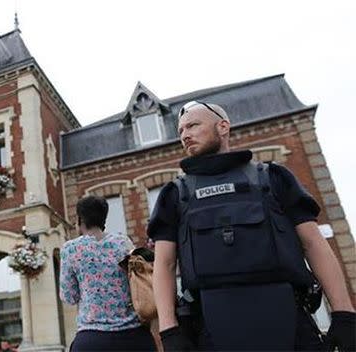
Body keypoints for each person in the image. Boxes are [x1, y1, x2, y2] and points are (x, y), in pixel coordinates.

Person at [149, 101, 356, 351]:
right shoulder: (174, 194)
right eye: (181, 130)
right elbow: (165, 263)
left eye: (193, 125)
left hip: (290, 324)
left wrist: (344, 313)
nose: (185, 135)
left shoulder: (273, 178)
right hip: (211, 328)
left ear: (223, 126)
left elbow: (313, 243)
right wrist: (169, 330)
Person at [60, 195, 156, 351]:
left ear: (80, 220)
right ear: (103, 218)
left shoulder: (70, 249)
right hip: (134, 336)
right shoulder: (122, 242)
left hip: (92, 339)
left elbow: (69, 297)